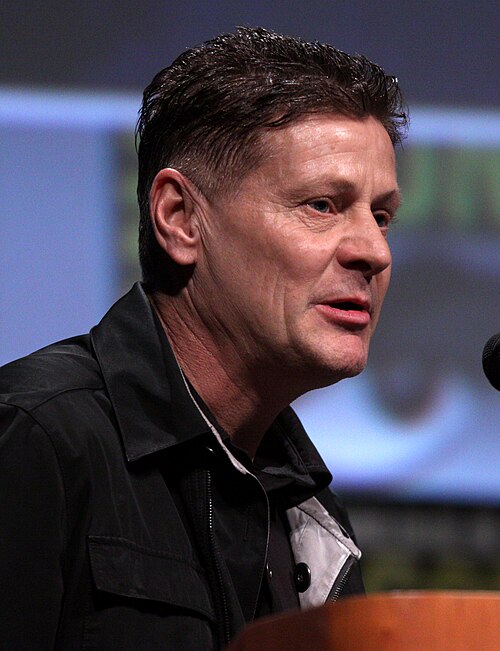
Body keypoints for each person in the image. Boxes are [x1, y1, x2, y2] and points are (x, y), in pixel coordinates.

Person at [0, 27, 407, 650]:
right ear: (181, 218)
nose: (374, 252)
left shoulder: (310, 513)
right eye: (322, 205)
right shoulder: (37, 440)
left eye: (381, 216)